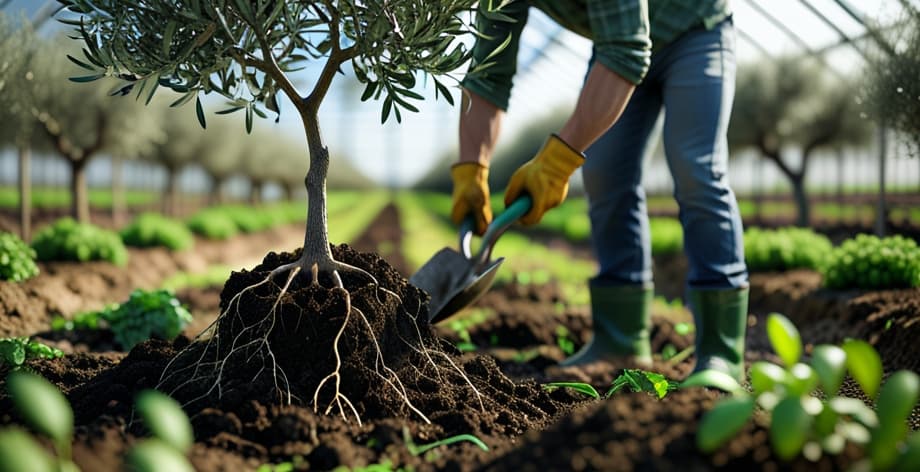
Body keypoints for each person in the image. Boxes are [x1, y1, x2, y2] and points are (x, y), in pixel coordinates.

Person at [449, 0, 749, 381]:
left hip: (694, 29)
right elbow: (488, 72)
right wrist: (472, 168)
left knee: (695, 168)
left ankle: (720, 353)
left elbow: (628, 49)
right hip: (617, 45)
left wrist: (556, 162)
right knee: (605, 174)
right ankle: (620, 340)